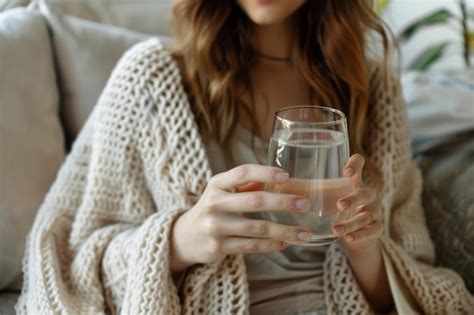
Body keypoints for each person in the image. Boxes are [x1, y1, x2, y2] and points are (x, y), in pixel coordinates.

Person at [17, 0, 473, 314]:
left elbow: (415, 282)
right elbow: (69, 265)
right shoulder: (152, 77)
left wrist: (366, 246)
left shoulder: (372, 90)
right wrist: (179, 240)